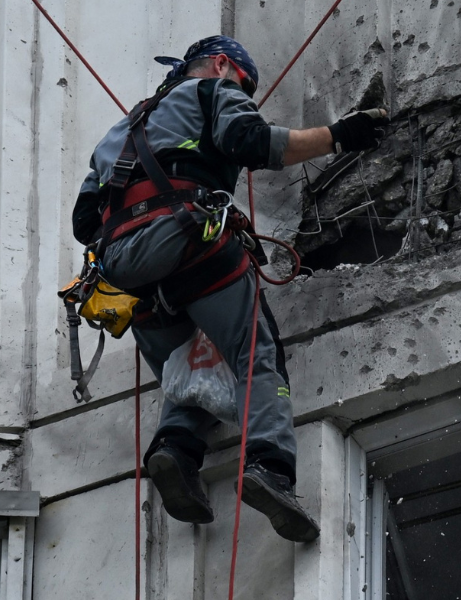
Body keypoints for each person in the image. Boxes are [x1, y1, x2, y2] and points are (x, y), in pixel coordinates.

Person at [71, 35, 388, 543]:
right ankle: (269, 467)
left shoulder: (116, 134)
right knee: (254, 353)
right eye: (246, 85)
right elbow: (254, 143)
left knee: (190, 364)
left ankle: (174, 450)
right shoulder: (212, 91)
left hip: (126, 274)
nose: (246, 94)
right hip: (191, 246)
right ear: (222, 65)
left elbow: (84, 220)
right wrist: (339, 135)